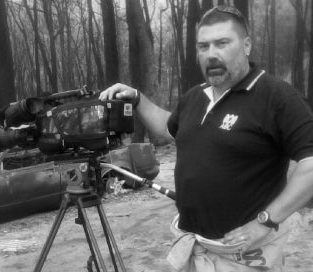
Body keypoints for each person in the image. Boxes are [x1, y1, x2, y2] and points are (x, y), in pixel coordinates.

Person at [99, 5, 313, 272]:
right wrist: (138, 98)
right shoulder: (195, 97)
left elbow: (311, 164)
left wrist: (265, 221)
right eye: (203, 46)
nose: (211, 54)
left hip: (245, 256)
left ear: (246, 45)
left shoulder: (275, 96)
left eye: (222, 43)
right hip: (195, 246)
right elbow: (169, 128)